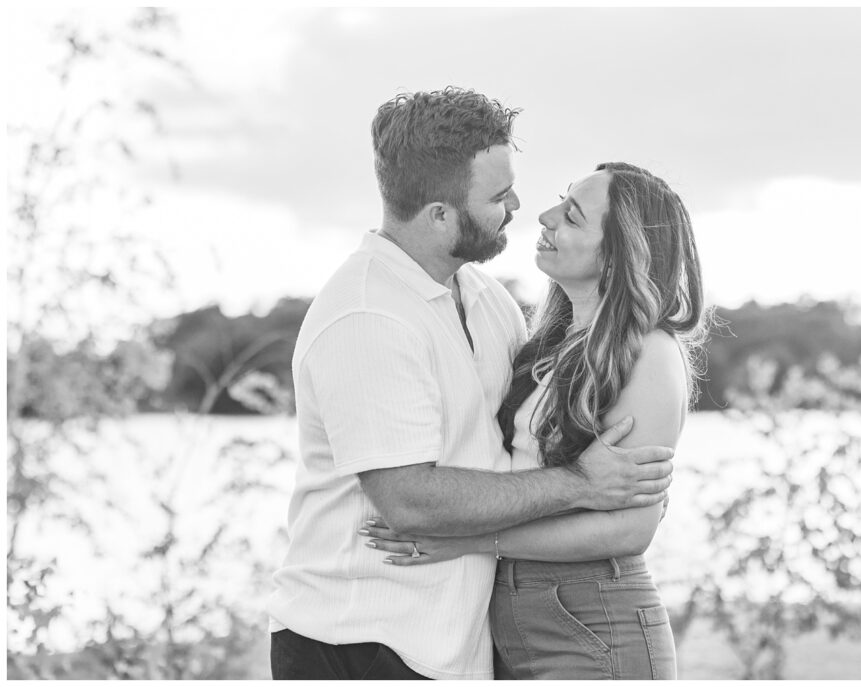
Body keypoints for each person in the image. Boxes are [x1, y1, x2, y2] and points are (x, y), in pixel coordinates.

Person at [267, 88, 676, 680]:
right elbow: (409, 500)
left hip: (458, 646)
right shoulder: (368, 316)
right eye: (496, 195)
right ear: (439, 214)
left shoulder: (488, 302)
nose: (520, 205)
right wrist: (579, 482)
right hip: (360, 641)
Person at [358, 162, 707, 679]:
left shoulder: (650, 353)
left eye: (571, 216)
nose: (543, 216)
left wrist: (469, 539)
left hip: (594, 620)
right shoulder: (547, 344)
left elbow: (631, 529)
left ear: (617, 252)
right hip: (511, 615)